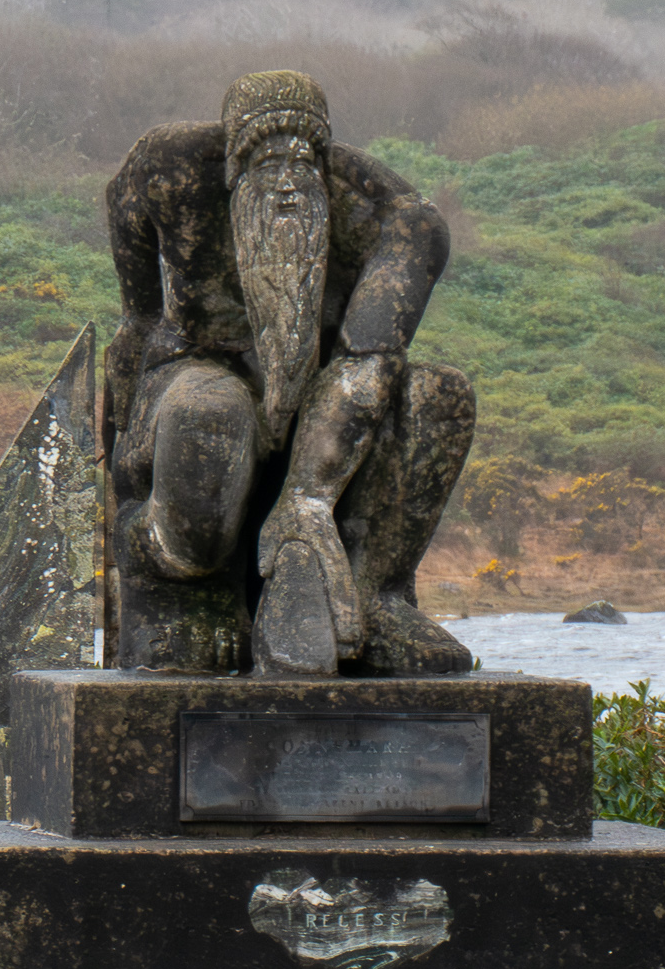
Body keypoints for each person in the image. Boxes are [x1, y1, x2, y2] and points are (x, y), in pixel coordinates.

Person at [104, 70, 474, 675]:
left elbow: (367, 361)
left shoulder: (402, 221)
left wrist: (307, 497)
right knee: (209, 415)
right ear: (230, 168)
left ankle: (374, 595)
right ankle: (181, 588)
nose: (284, 186)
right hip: (201, 368)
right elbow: (129, 238)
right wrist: (137, 323)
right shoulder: (168, 169)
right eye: (262, 164)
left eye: (302, 166)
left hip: (331, 397)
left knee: (440, 397)